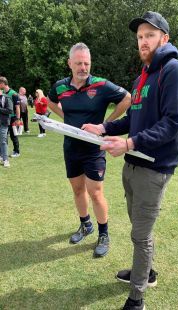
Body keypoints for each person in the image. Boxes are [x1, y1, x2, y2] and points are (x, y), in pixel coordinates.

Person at [82, 11, 178, 309]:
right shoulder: (142, 77)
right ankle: (147, 272)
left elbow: (173, 123)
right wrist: (104, 127)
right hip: (133, 164)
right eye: (140, 37)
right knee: (138, 227)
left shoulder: (175, 71)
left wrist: (130, 142)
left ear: (164, 38)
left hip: (154, 168)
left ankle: (137, 298)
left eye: (149, 35)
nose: (143, 42)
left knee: (140, 234)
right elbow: (133, 117)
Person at [47, 42, 131, 258]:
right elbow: (49, 102)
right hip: (71, 148)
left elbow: (127, 98)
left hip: (94, 149)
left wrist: (106, 124)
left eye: (86, 63)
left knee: (95, 192)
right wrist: (66, 119)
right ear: (69, 64)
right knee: (77, 190)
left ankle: (103, 234)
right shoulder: (60, 87)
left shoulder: (101, 85)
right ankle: (85, 225)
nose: (83, 67)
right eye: (78, 63)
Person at [0, 76, 21, 158]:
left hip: (13, 118)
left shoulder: (14, 93)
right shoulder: (2, 93)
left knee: (13, 135)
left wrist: (18, 119)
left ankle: (16, 151)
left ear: (2, 84)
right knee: (4, 136)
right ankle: (3, 153)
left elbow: (17, 107)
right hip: (4, 118)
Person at [0, 89, 13, 167]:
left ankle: (6, 160)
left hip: (3, 123)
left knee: (3, 141)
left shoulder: (7, 98)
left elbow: (10, 110)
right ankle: (1, 156)